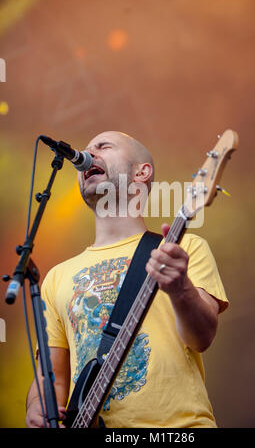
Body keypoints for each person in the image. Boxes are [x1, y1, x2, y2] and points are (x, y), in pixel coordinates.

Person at [25, 131, 228, 428]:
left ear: (141, 172)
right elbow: (51, 376)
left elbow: (203, 337)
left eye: (103, 146)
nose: (88, 153)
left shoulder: (182, 249)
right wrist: (36, 407)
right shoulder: (57, 277)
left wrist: (180, 288)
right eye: (86, 149)